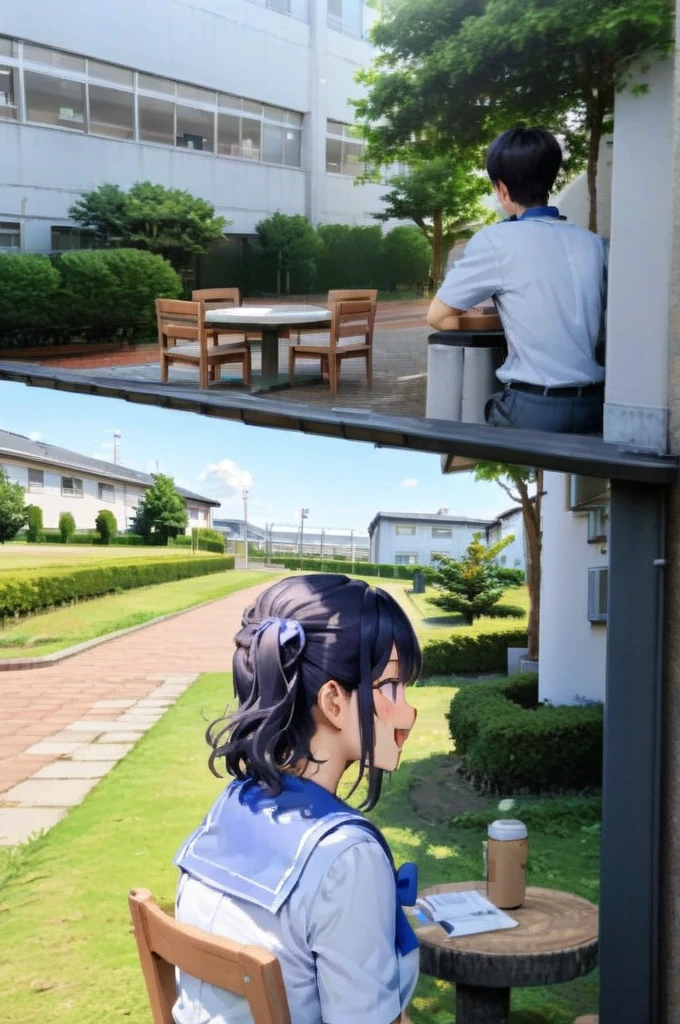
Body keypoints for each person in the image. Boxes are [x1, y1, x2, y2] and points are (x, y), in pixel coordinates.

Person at [172, 573, 422, 1024]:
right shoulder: (346, 858)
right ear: (332, 701)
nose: (407, 711)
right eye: (389, 688)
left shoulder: (231, 807)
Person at [427, 126, 608, 434]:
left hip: (533, 409)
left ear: (502, 189)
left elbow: (437, 316)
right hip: (597, 407)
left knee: (476, 414)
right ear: (550, 179)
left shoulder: (497, 239)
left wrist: (493, 319)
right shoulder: (593, 242)